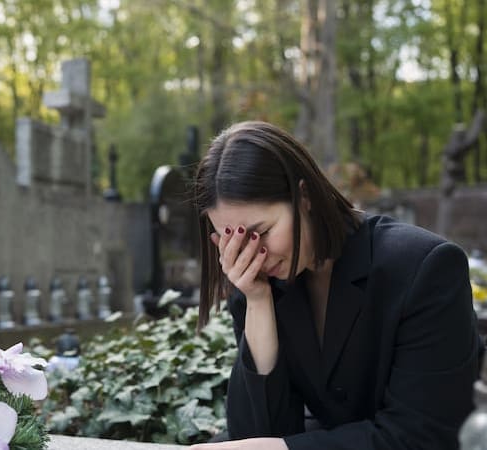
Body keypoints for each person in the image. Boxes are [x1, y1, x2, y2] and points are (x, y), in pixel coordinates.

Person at [188, 121, 481, 450]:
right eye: (234, 242)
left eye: (261, 232)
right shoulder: (258, 283)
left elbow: (423, 436)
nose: (253, 253)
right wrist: (257, 303)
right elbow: (256, 433)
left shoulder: (424, 269)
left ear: (305, 196)